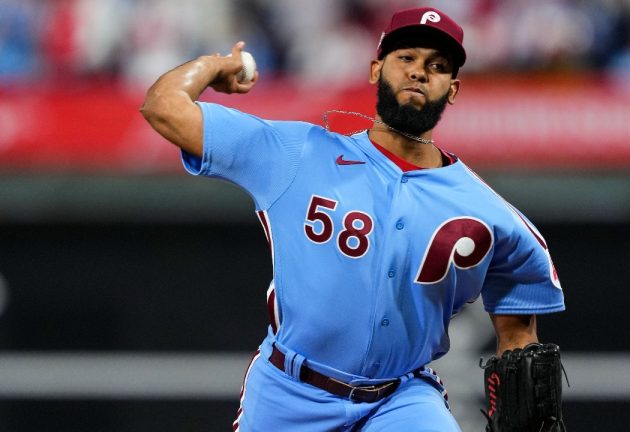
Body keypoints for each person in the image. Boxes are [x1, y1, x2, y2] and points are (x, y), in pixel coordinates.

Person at [141, 6, 565, 432]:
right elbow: (162, 107)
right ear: (375, 69)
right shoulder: (297, 153)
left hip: (400, 400)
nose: (419, 72)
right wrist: (213, 65)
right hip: (289, 392)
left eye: (437, 66)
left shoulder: (489, 213)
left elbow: (519, 328)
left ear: (452, 89)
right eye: (406, 58)